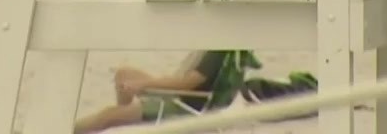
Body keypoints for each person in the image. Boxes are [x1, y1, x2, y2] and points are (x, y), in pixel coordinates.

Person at [73, 51, 255, 133]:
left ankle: (63, 130)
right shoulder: (225, 47)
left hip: (185, 107)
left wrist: (143, 85)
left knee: (107, 115)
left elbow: (188, 83)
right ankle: (126, 120)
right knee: (124, 74)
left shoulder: (218, 51)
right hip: (187, 98)